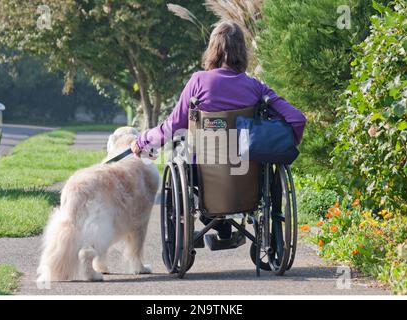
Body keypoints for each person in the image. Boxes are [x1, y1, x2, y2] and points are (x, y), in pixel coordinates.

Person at [131, 21, 307, 246]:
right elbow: (297, 119)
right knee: (261, 164)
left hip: (205, 177)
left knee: (183, 157)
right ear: (242, 51)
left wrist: (143, 141)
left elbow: (173, 126)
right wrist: (275, 138)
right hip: (249, 180)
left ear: (213, 49)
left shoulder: (198, 82)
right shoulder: (256, 88)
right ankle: (237, 230)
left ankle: (207, 225)